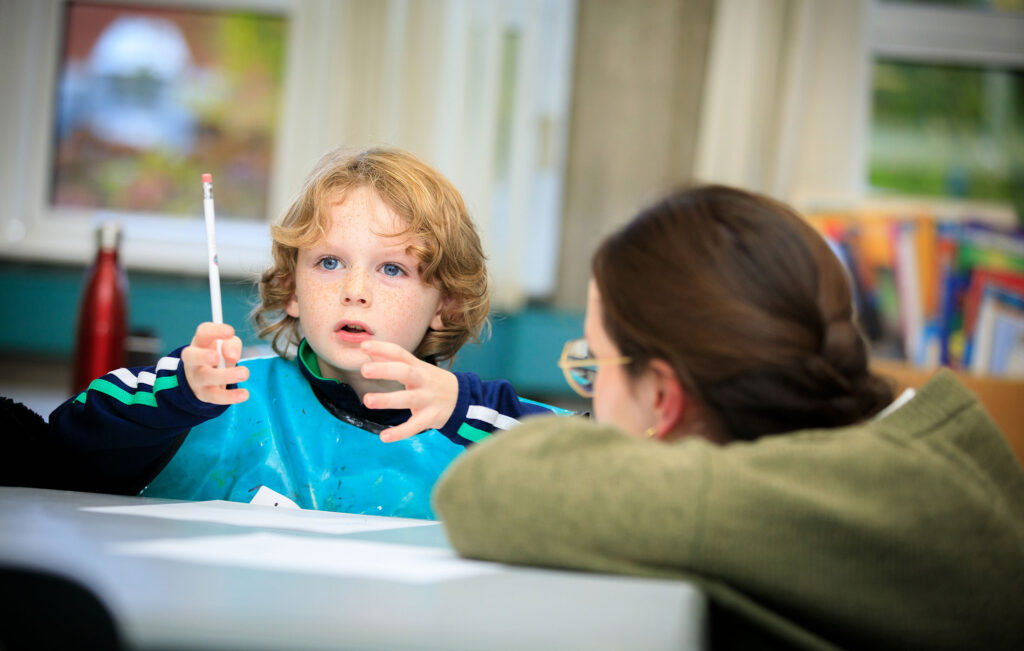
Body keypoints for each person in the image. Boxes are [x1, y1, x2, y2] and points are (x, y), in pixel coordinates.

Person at [434, 185, 1024, 649]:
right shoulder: (930, 450)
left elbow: (486, 490)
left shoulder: (813, 501)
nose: (590, 387)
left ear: (662, 399)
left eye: (594, 362)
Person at [48, 146, 569, 519]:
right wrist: (178, 391)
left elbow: (598, 465)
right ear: (291, 289)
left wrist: (461, 407)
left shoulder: (475, 422)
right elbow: (63, 446)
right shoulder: (212, 396)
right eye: (329, 262)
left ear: (446, 305)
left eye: (392, 269)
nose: (354, 291)